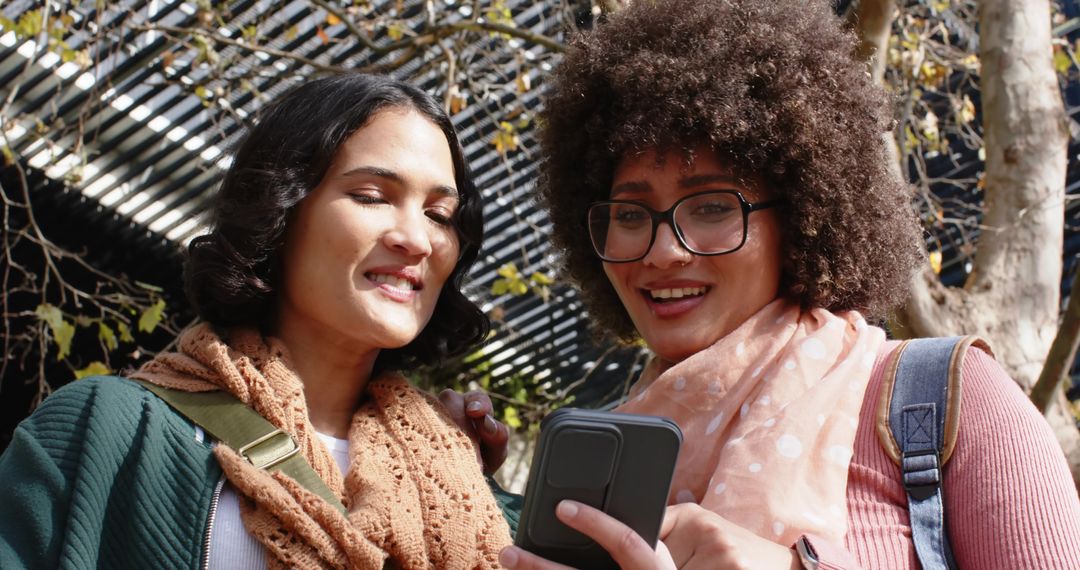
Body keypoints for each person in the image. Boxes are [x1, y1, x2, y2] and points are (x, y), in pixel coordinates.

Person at [497, 0, 1080, 568]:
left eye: (712, 207)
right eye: (629, 216)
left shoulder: (948, 402)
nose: (665, 251)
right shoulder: (600, 466)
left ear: (801, 217)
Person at [0, 73, 516, 569]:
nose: (418, 239)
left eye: (440, 215)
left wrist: (477, 476)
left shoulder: (475, 494)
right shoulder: (111, 430)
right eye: (372, 197)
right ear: (279, 211)